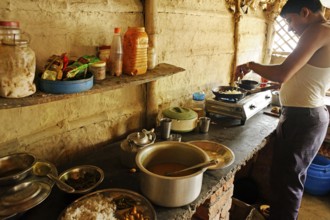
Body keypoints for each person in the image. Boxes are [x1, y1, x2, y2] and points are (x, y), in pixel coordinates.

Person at [235, 0, 330, 219]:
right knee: (288, 178)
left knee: (287, 182)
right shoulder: (325, 31)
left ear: (305, 12)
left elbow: (282, 73)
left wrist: (250, 65)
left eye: (289, 20)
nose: (289, 27)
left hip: (303, 118)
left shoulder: (317, 30)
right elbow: (302, 75)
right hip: (308, 116)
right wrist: (283, 84)